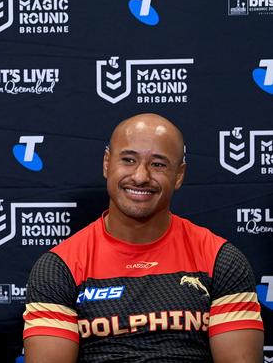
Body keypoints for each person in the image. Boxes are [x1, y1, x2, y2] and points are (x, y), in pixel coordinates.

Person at [23, 113, 264, 362]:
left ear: (179, 175)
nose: (140, 176)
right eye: (128, 160)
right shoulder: (59, 267)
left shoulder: (220, 260)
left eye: (158, 164)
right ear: (107, 163)